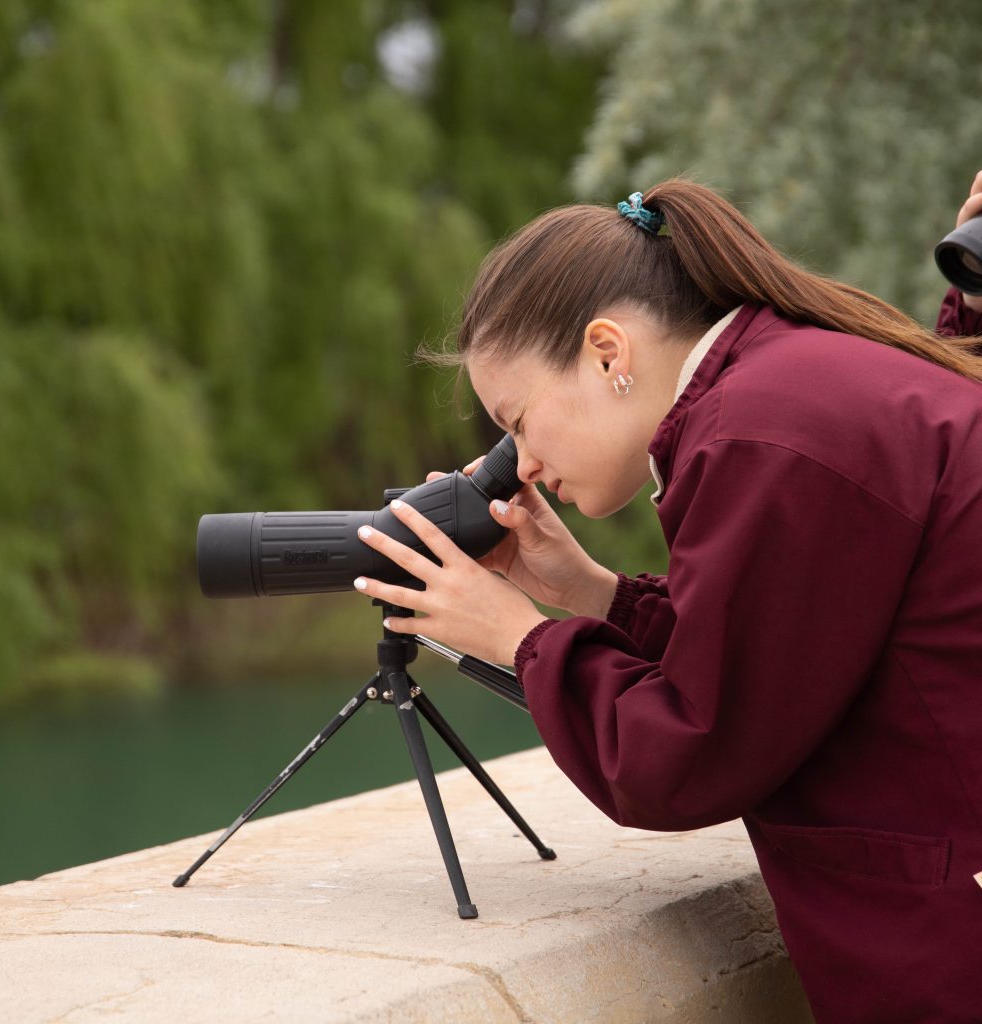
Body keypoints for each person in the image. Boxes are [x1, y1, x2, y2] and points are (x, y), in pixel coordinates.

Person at [351, 174, 982, 1023]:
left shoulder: (767, 431)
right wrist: (585, 592)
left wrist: (520, 638)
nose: (522, 464)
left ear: (608, 352)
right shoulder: (789, 377)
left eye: (518, 422)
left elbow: (694, 753)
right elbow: (782, 647)